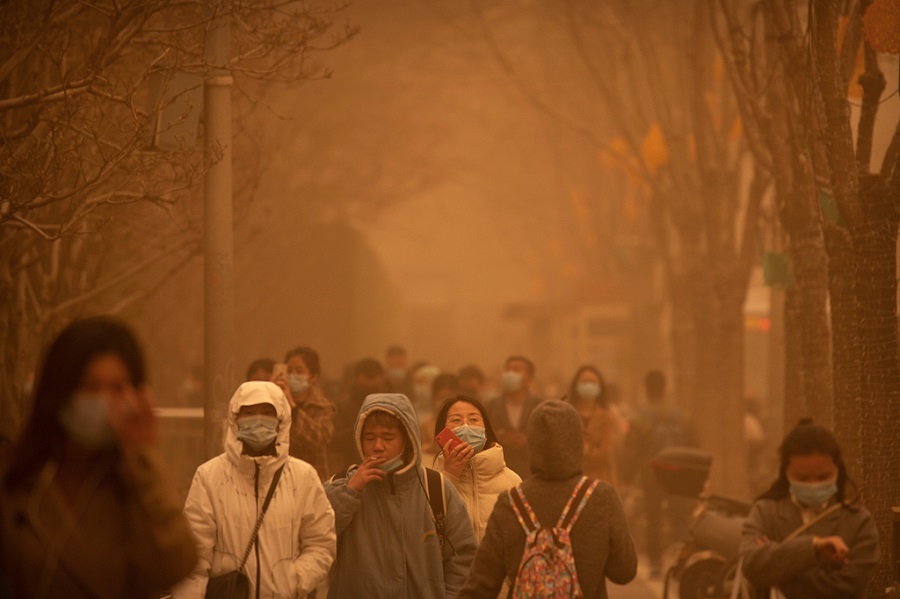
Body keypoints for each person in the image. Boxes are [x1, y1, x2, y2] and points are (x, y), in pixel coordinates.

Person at [0, 316, 198, 598]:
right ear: (60, 391)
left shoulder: (133, 483)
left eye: (117, 388)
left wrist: (144, 455)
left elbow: (176, 564)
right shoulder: (16, 480)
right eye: (90, 387)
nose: (104, 401)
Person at [173, 381, 336, 598]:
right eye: (249, 412)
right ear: (235, 419)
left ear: (281, 420)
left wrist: (294, 579)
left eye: (267, 413)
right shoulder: (209, 477)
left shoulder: (303, 477)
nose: (258, 419)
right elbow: (194, 559)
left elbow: (321, 543)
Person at [458, 400, 637, 598]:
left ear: (532, 444)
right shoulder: (601, 497)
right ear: (577, 442)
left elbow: (482, 585)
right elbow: (624, 571)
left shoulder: (510, 502)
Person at [324, 393, 477, 598]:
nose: (378, 446)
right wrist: (350, 492)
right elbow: (316, 539)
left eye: (388, 437)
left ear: (407, 439)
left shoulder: (436, 488)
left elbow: (464, 557)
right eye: (369, 437)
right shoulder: (340, 484)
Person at [737, 420, 879, 598]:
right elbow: (751, 566)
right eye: (802, 478)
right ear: (786, 473)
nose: (813, 485)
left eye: (823, 477)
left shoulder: (859, 522)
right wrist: (814, 546)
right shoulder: (766, 512)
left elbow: (848, 589)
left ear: (838, 470)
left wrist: (776, 570)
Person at [622, 369, 694, 578]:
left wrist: (628, 477)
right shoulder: (682, 416)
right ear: (665, 389)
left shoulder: (639, 419)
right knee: (680, 518)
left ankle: (655, 564)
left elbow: (631, 452)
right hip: (678, 477)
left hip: (651, 477)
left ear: (646, 390)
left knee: (653, 519)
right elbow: (694, 446)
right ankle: (681, 560)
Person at [432, 395, 521, 542]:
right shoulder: (429, 480)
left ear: (486, 431)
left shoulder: (512, 482)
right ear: (442, 432)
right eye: (456, 420)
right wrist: (449, 476)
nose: (466, 426)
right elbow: (427, 530)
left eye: (473, 419)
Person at [272, 346, 336, 481]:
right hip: (280, 478)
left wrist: (293, 408)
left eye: (299, 371)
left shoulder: (323, 406)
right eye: (289, 371)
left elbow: (318, 438)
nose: (292, 375)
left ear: (313, 377)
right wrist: (271, 393)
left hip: (313, 479)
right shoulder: (275, 403)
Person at [485, 355, 542, 478]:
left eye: (516, 370)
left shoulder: (541, 406)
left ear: (529, 378)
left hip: (531, 473)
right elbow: (483, 434)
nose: (510, 373)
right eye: (508, 369)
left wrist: (528, 441)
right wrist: (500, 437)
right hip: (499, 473)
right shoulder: (491, 406)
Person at [330, 358, 387, 475]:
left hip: (386, 467)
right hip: (353, 470)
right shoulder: (344, 404)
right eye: (369, 378)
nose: (373, 383)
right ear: (358, 378)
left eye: (377, 378)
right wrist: (361, 426)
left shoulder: (389, 403)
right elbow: (334, 442)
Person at [566, 365, 620, 488]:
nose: (588, 385)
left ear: (600, 387)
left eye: (593, 382)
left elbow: (605, 454)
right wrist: (591, 448)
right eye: (585, 381)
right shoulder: (566, 413)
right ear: (576, 384)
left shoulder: (607, 417)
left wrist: (580, 448)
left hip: (600, 481)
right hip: (571, 482)